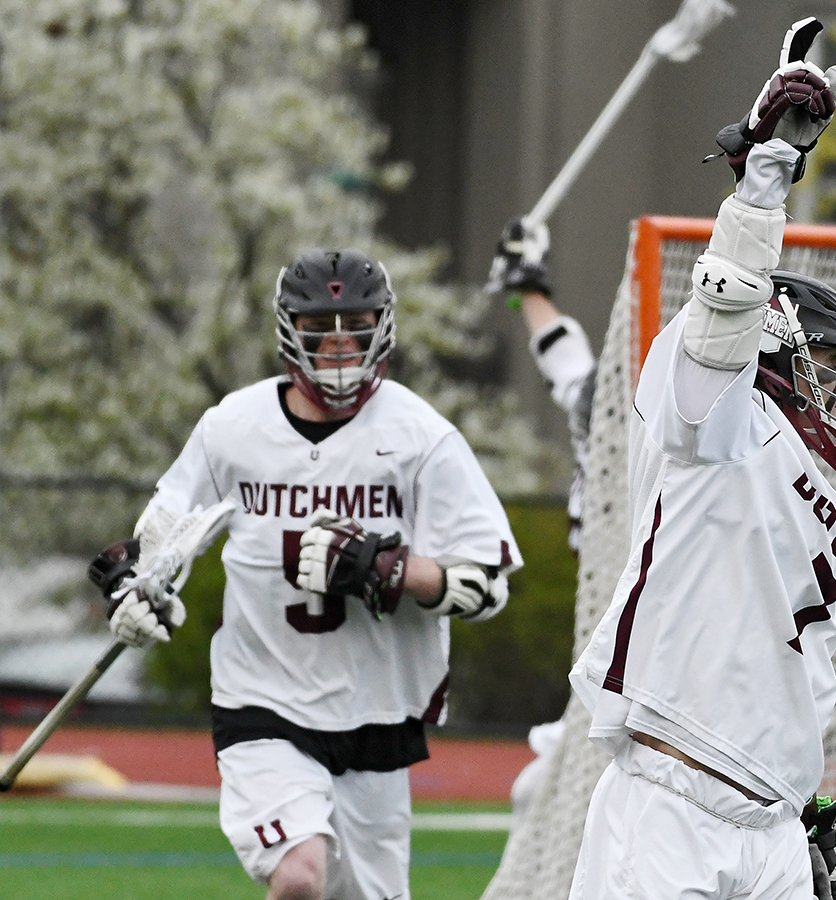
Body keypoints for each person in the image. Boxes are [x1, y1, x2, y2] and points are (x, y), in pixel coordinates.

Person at [88, 248, 523, 900]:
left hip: (377, 714)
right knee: (299, 875)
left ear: (384, 327)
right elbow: (161, 539)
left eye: (358, 327)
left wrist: (390, 569)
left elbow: (487, 585)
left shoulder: (419, 436)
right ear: (292, 330)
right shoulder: (233, 427)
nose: (342, 346)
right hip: (263, 703)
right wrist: (133, 587)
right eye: (323, 330)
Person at [565, 20, 836, 900]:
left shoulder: (825, 496)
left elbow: (805, 662)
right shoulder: (719, 419)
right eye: (832, 369)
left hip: (771, 819)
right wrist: (763, 185)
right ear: (783, 354)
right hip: (671, 801)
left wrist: (799, 802)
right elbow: (722, 316)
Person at [487, 218, 596, 553]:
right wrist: (526, 281)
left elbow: (565, 358)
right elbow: (563, 353)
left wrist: (525, 282)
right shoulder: (607, 402)